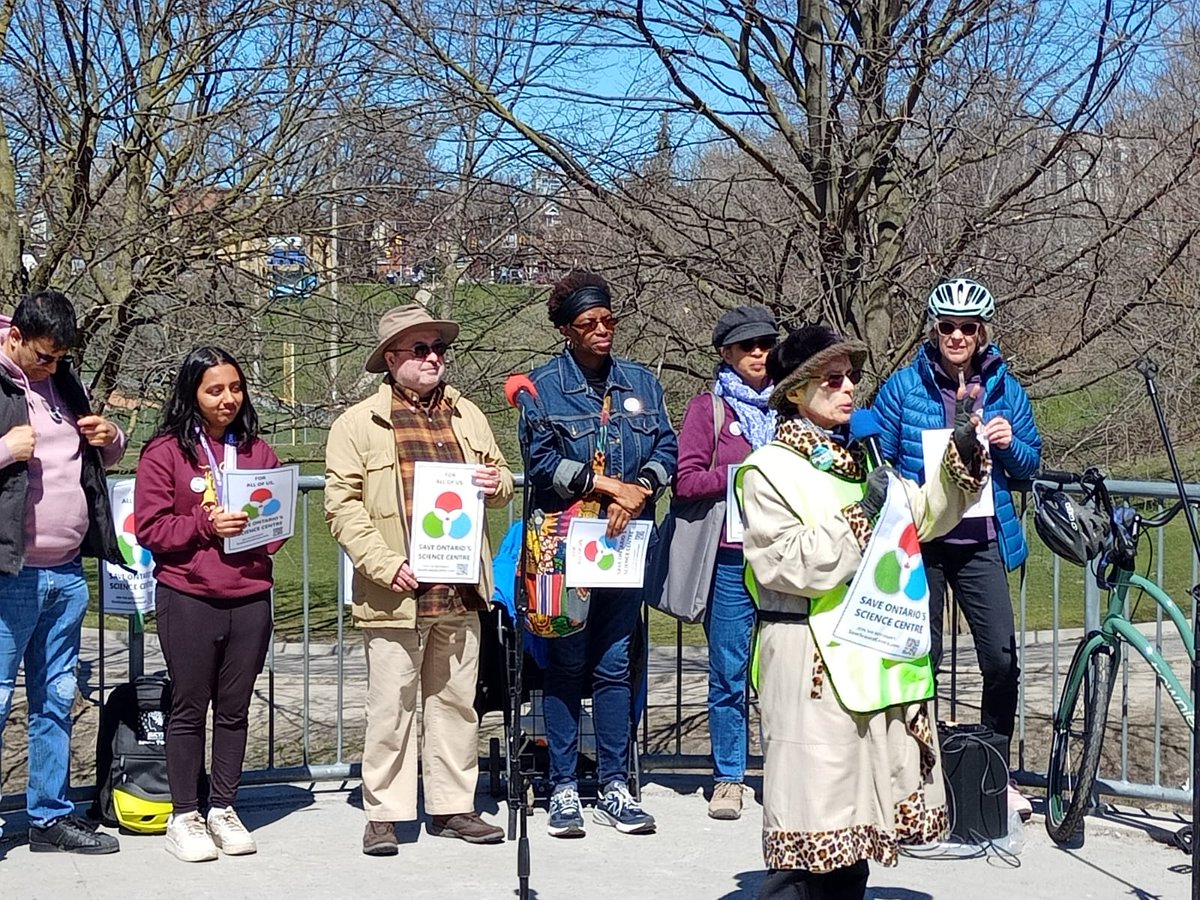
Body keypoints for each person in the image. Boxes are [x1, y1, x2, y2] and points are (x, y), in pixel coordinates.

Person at [738, 324, 986, 899]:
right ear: (796, 392)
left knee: (851, 828)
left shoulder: (859, 457)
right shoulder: (767, 469)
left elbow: (919, 519)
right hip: (809, 663)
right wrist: (862, 515)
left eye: (852, 376)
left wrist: (961, 457)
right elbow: (786, 566)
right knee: (812, 821)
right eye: (832, 378)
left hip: (867, 658)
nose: (848, 387)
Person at [325, 304, 513, 856]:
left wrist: (493, 479)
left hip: (458, 589)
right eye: (421, 349)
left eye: (439, 349)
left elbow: (501, 480)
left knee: (456, 704)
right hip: (395, 594)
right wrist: (385, 565)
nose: (435, 358)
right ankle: (385, 812)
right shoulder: (357, 423)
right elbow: (341, 507)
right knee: (391, 705)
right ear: (391, 359)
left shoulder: (468, 415)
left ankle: (455, 806)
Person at [872, 277, 1041, 818]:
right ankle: (920, 775)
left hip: (981, 540)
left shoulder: (1006, 388)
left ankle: (996, 771)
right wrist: (899, 490)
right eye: (947, 326)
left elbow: (1031, 465)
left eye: (969, 327)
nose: (957, 336)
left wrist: (1010, 445)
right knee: (921, 660)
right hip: (922, 540)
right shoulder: (903, 387)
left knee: (1001, 658)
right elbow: (878, 456)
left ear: (983, 332)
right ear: (934, 329)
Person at [521, 270, 677, 838]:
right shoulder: (541, 388)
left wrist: (642, 490)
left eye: (609, 320)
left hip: (624, 542)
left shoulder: (641, 382)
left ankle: (613, 782)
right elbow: (541, 465)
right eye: (589, 324)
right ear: (566, 330)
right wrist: (608, 487)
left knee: (615, 664)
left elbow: (666, 445)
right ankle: (562, 786)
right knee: (567, 664)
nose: (603, 331)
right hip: (565, 547)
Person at [134, 347, 286, 862]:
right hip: (189, 596)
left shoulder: (257, 450)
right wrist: (205, 525)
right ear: (192, 395)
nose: (227, 399)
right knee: (188, 707)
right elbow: (152, 529)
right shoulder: (165, 453)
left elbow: (276, 518)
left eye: (235, 388)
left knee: (236, 709)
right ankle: (184, 816)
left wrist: (267, 533)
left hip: (249, 596)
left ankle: (223, 806)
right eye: (214, 390)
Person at [0, 290, 125, 854]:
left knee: (55, 697)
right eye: (45, 356)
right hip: (10, 572)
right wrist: (4, 449)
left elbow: (100, 457)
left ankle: (49, 818)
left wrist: (111, 439)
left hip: (67, 573)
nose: (54, 367)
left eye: (62, 357)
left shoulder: (65, 383)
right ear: (16, 337)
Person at [673, 306, 779, 821]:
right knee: (729, 672)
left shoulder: (794, 406)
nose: (758, 353)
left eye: (765, 344)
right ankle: (729, 778)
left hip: (787, 559)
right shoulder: (708, 410)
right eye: (747, 346)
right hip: (732, 560)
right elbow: (686, 481)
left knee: (786, 673)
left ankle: (783, 771)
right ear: (726, 354)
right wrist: (742, 471)